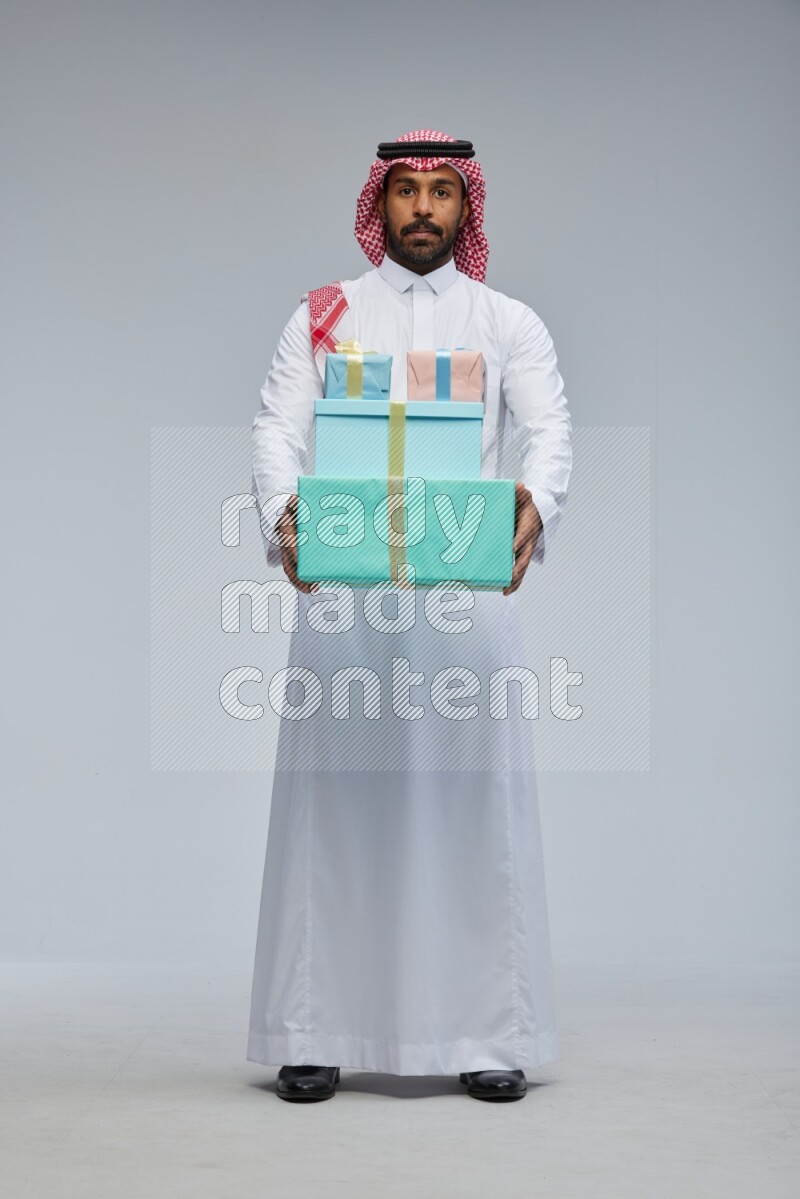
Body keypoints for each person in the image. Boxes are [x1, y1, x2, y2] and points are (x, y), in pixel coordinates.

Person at [247, 130, 572, 1103]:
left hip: (464, 598)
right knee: (337, 808)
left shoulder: (507, 321)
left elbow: (548, 427)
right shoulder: (324, 314)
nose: (423, 207)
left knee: (473, 810)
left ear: (465, 207)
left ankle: (486, 1033)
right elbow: (276, 425)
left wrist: (538, 503)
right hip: (347, 595)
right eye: (405, 190)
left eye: (441, 191)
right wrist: (281, 512)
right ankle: (314, 1029)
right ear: (378, 204)